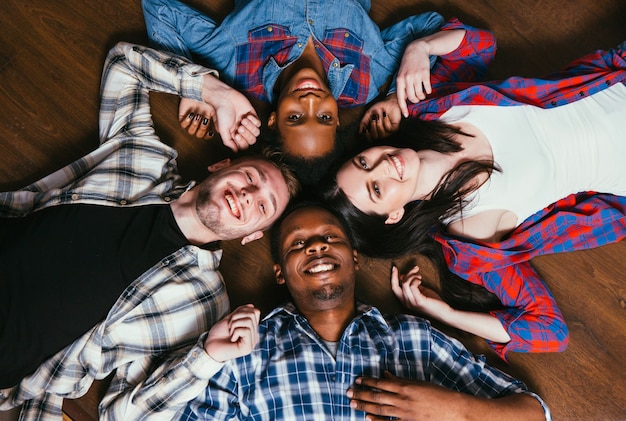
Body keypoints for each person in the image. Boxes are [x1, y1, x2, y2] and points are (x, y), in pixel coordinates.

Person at [0, 42, 299, 420]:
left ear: (252, 234)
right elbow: (124, 64)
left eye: (262, 206)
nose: (248, 194)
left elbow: (119, 415)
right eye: (251, 177)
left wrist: (206, 358)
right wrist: (215, 93)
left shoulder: (203, 305)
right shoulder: (143, 154)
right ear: (221, 165)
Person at [324, 34, 626, 359]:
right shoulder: (472, 235)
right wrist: (445, 314)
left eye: (364, 162)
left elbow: (478, 45)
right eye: (377, 188)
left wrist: (420, 49)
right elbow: (550, 331)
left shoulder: (430, 109)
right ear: (394, 215)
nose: (384, 165)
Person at [150, 202, 548, 420]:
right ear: (280, 273)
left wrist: (452, 409)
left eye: (330, 237)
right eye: (297, 244)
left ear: (354, 259)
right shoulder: (244, 351)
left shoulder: (413, 338)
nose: (316, 247)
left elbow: (535, 413)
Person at [141, 0, 488, 184]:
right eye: (322, 117)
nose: (310, 101)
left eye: (295, 118)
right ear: (338, 119)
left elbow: (160, 8)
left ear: (273, 119)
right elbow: (430, 26)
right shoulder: (365, 81)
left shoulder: (236, 68)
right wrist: (394, 99)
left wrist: (198, 88)